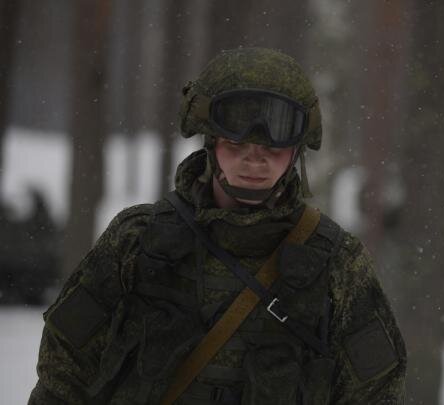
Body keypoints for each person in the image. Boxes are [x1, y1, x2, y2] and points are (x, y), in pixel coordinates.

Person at [29, 47, 406, 404]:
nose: (254, 161)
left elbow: (376, 392)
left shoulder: (338, 265)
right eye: (236, 143)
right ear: (210, 140)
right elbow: (62, 378)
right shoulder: (136, 241)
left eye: (272, 147)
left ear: (296, 151)